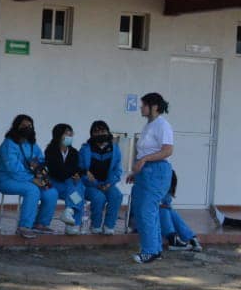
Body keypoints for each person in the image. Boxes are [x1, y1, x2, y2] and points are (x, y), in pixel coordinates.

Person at [126, 93, 174, 264]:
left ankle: (150, 251)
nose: (141, 107)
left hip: (157, 171)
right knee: (142, 210)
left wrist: (145, 160)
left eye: (144, 104)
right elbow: (144, 151)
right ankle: (155, 248)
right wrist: (136, 172)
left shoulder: (162, 125)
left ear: (154, 106)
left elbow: (167, 150)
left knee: (147, 210)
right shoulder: (149, 125)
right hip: (145, 173)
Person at [0, 114, 57, 239]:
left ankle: (40, 224)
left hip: (30, 179)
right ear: (16, 127)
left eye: (30, 126)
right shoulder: (9, 144)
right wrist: (32, 179)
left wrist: (42, 174)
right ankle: (24, 226)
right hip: (7, 180)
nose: (27, 128)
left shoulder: (32, 144)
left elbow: (41, 160)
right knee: (32, 190)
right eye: (23, 125)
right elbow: (13, 168)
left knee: (51, 191)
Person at [78, 120, 123, 235]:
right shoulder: (85, 150)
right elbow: (80, 170)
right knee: (99, 197)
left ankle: (109, 226)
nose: (100, 134)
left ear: (108, 132)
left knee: (116, 195)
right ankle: (96, 226)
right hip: (89, 185)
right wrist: (95, 184)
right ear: (92, 134)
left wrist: (109, 183)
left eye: (103, 130)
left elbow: (117, 170)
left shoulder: (115, 149)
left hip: (107, 183)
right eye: (96, 131)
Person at [43, 123, 84, 235]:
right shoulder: (50, 151)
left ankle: (69, 212)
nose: (70, 136)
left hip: (68, 186)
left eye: (71, 133)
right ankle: (74, 223)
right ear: (58, 135)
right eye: (67, 133)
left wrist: (77, 174)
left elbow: (78, 168)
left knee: (77, 188)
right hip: (56, 183)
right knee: (77, 191)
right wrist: (73, 173)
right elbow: (58, 172)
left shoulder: (74, 152)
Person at [160, 172, 203, 252]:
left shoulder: (165, 190)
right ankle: (182, 238)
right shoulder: (148, 185)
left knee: (170, 211)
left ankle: (185, 238)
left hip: (157, 217)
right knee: (165, 210)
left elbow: (166, 203)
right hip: (142, 220)